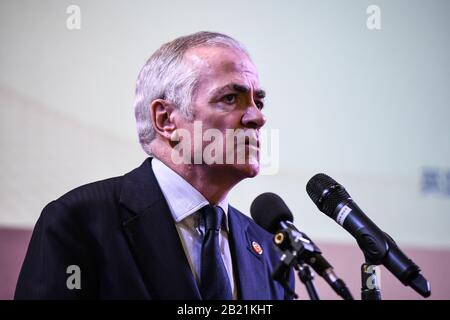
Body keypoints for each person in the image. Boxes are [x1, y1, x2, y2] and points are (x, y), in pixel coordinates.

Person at [15, 31, 294, 300]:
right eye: (230, 98)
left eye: (258, 101)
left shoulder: (270, 250)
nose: (257, 117)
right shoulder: (79, 222)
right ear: (166, 119)